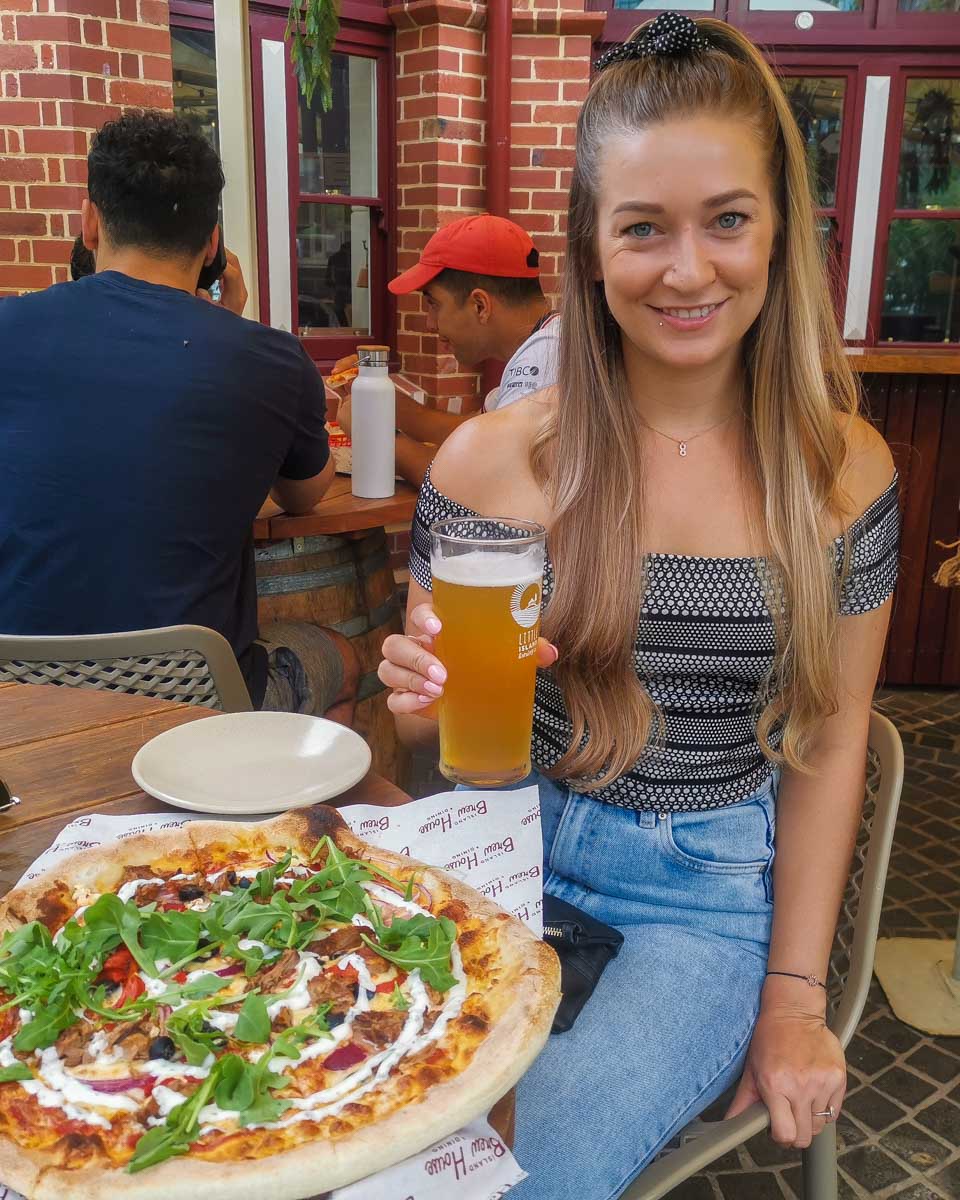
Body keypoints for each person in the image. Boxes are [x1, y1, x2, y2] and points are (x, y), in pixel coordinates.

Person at [379, 14, 898, 1199]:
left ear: (779, 232)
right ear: (589, 246)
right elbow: (437, 747)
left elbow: (828, 748)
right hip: (496, 847)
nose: (686, 269)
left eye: (726, 219)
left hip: (701, 898)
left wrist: (795, 996)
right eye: (643, 228)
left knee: (512, 1183)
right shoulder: (487, 464)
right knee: (346, 1135)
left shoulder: (845, 475)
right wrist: (413, 708)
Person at [0, 110, 358, 724]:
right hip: (196, 704)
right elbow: (305, 495)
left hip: (23, 703)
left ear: (90, 221)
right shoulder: (270, 357)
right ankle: (299, 815)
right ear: (213, 242)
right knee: (342, 657)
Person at [336, 215, 560, 486]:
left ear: (480, 305)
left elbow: (477, 485)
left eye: (433, 304)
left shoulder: (544, 359)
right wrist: (385, 403)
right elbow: (471, 435)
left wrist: (372, 434)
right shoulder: (548, 340)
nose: (430, 324)